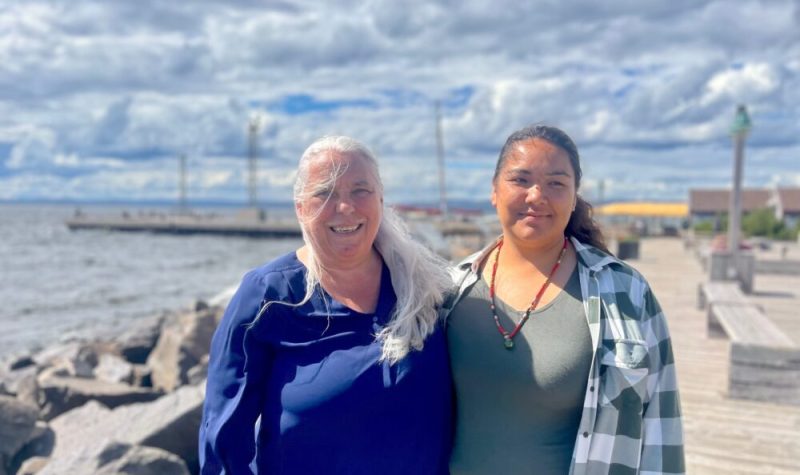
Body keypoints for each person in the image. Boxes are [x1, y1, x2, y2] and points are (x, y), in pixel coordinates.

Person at [199, 136, 453, 474]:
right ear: (300, 208)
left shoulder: (425, 288)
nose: (344, 207)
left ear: (380, 199)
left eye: (359, 190)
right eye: (325, 193)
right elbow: (224, 438)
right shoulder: (268, 295)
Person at [445, 125, 685, 474]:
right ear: (494, 191)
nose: (536, 195)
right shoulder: (449, 292)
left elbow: (662, 429)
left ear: (574, 199)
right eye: (521, 180)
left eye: (556, 183)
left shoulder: (626, 293)